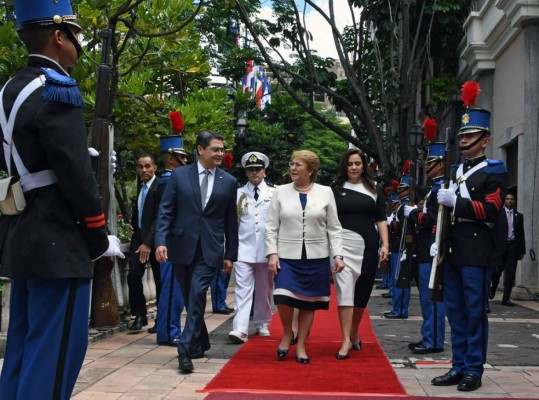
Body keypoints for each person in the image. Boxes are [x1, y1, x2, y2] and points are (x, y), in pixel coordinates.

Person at [0, 1, 124, 398]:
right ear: (59, 36)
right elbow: (74, 175)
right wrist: (99, 237)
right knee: (54, 356)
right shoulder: (58, 88)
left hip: (24, 233)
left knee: (23, 347)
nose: (78, 43)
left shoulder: (10, 89)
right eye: (74, 34)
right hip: (61, 238)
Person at [432, 107, 507, 391]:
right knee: (455, 310)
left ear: (485, 140)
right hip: (452, 247)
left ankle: (474, 368)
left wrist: (458, 203)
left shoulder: (494, 170)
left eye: (471, 135)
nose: (464, 141)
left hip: (477, 247)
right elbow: (440, 210)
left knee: (474, 310)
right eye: (463, 136)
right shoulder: (454, 171)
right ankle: (458, 364)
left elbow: (492, 209)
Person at [155, 130, 238, 373]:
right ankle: (201, 341)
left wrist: (230, 254)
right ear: (200, 150)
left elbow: (230, 222)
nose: (220, 153)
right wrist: (161, 241)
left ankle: (185, 349)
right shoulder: (179, 176)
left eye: (222, 149)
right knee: (191, 296)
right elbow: (166, 211)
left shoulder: (229, 181)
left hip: (210, 249)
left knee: (197, 294)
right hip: (181, 247)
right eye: (215, 149)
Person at [266, 150, 345, 364]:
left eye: (298, 165)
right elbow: (271, 227)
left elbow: (334, 228)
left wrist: (338, 255)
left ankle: (301, 345)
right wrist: (272, 254)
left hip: (316, 258)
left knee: (308, 303)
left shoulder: (325, 192)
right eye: (291, 164)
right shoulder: (279, 192)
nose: (293, 168)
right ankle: (286, 333)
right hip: (286, 257)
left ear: (310, 170)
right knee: (282, 297)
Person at [331, 149, 389, 359]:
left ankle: (354, 332)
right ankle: (346, 339)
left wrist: (385, 245)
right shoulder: (335, 190)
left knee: (361, 295)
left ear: (363, 166)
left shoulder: (374, 189)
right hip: (342, 248)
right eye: (350, 164)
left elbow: (381, 219)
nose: (354, 167)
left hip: (368, 248)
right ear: (344, 167)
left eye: (358, 163)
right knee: (345, 292)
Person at [228, 152, 275, 343]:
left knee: (265, 289)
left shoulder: (275, 193)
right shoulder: (238, 194)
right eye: (250, 170)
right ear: (246, 173)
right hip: (244, 248)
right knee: (242, 289)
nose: (254, 173)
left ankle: (262, 322)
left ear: (264, 171)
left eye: (257, 169)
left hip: (266, 250)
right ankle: (239, 329)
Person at [405, 142, 446, 354]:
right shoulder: (434, 188)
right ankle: (428, 335)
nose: (427, 167)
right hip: (424, 251)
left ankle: (435, 340)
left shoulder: (441, 188)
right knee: (425, 299)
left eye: (430, 163)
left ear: (440, 164)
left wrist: (412, 214)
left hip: (432, 250)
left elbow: (430, 219)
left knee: (433, 299)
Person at [155, 136, 187, 346]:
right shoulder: (168, 182)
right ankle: (168, 331)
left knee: (177, 291)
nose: (185, 161)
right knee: (171, 290)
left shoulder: (172, 181)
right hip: (171, 242)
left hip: (177, 242)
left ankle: (170, 329)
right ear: (171, 159)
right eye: (181, 157)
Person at [127, 153, 162, 333]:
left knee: (159, 279)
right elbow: (140, 213)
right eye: (140, 166)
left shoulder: (160, 186)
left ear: (154, 167)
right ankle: (140, 315)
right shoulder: (141, 188)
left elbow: (159, 218)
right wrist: (132, 225)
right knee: (133, 275)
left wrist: (148, 243)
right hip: (139, 238)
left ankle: (161, 319)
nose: (144, 170)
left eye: (147, 166)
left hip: (157, 241)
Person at [383, 175, 412, 319]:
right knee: (399, 278)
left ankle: (399, 309)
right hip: (396, 246)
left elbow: (404, 227)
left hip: (401, 247)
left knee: (399, 279)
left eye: (402, 189)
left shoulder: (405, 205)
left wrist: (391, 224)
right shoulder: (402, 205)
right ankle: (399, 308)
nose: (400, 192)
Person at [489, 192, 526, 306]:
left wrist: (522, 251)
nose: (510, 201)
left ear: (514, 201)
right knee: (496, 272)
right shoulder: (498, 214)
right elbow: (493, 232)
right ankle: (493, 288)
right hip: (500, 247)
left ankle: (506, 299)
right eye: (508, 199)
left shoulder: (518, 216)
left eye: (512, 199)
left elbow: (521, 234)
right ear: (504, 201)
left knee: (510, 274)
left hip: (513, 247)